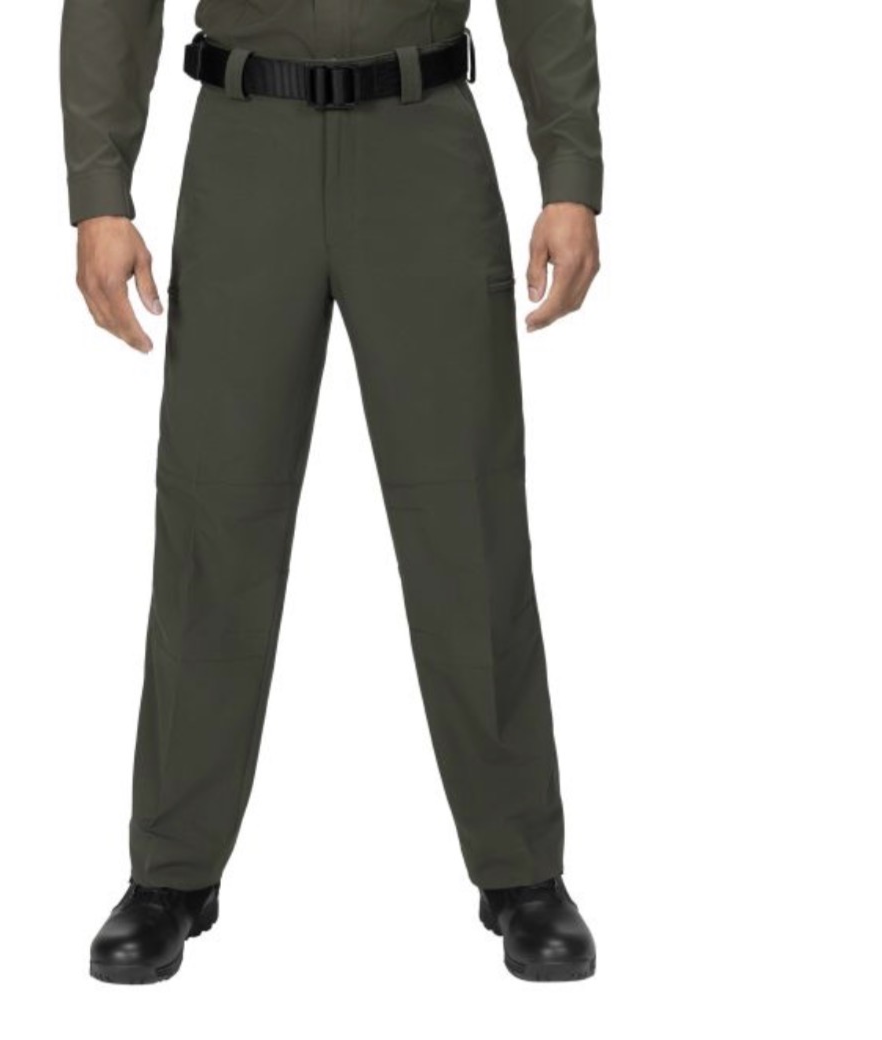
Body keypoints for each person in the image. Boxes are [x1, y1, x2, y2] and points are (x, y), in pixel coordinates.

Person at [60, 0, 603, 985]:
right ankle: (172, 870)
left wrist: (569, 173)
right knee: (213, 516)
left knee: (470, 522)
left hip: (425, 143)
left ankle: (523, 869)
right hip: (245, 145)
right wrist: (100, 191)